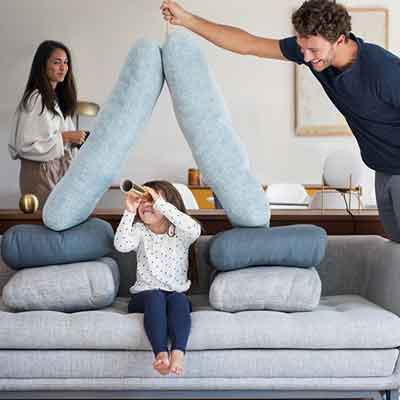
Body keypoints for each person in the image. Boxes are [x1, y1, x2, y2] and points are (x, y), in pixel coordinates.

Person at [161, 0, 400, 242]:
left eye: (313, 51)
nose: (305, 57)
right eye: (302, 48)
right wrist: (187, 20)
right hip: (382, 168)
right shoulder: (315, 51)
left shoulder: (384, 71)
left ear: (340, 40)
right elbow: (248, 44)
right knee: (395, 249)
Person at [114, 180, 201, 376]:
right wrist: (129, 210)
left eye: (151, 200)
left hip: (174, 295)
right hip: (144, 297)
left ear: (168, 205)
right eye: (142, 201)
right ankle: (161, 354)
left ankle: (178, 353)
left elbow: (194, 228)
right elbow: (121, 245)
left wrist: (159, 202)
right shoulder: (140, 231)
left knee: (179, 299)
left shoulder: (182, 233)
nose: (146, 204)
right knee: (155, 297)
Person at [9, 40, 87, 208]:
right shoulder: (37, 99)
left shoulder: (54, 99)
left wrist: (75, 139)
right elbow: (24, 145)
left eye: (66, 62)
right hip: (41, 175)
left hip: (54, 172)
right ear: (43, 65)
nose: (63, 67)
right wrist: (66, 137)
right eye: (56, 62)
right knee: (44, 225)